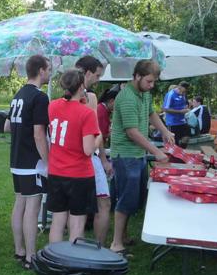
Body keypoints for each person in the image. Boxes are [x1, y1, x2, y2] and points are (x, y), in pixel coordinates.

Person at [110, 59, 174, 255]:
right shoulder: (127, 97)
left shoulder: (144, 93)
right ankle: (115, 244)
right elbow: (132, 132)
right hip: (125, 155)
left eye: (153, 82)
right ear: (137, 76)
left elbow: (152, 114)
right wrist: (156, 152)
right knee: (125, 199)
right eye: (149, 81)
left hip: (137, 154)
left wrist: (165, 131)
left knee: (133, 199)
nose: (151, 85)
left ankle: (123, 236)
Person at [46, 69, 101, 243]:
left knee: (57, 221)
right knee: (77, 223)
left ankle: (54, 255)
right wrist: (99, 136)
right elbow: (88, 150)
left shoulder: (52, 105)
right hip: (79, 174)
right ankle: (72, 258)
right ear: (82, 86)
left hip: (56, 171)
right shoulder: (86, 113)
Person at [8, 55, 50, 268]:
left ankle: (20, 250)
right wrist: (48, 162)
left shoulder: (18, 94)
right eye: (48, 69)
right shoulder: (40, 97)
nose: (50, 73)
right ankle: (30, 257)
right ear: (41, 70)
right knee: (32, 208)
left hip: (16, 159)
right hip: (32, 161)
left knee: (20, 204)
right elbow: (39, 134)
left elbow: (7, 126)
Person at [75, 56, 112, 245]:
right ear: (87, 73)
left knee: (76, 208)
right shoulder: (90, 98)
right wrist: (103, 159)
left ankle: (75, 248)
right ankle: (99, 248)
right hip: (88, 158)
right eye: (97, 75)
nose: (98, 80)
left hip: (69, 160)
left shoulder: (61, 100)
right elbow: (95, 131)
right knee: (103, 203)